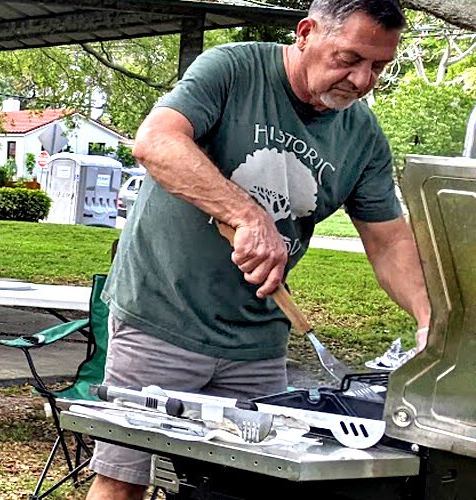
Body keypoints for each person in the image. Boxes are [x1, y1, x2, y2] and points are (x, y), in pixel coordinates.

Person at [90, 2, 430, 499]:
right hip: (162, 318)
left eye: (378, 66)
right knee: (124, 479)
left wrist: (430, 323)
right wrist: (248, 216)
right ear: (306, 33)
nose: (362, 80)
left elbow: (390, 241)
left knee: (249, 487)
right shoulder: (233, 69)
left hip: (258, 343)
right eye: (349, 58)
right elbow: (157, 142)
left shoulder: (363, 137)